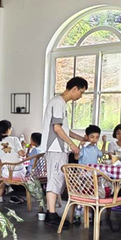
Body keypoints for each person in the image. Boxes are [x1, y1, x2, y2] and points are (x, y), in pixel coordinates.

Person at [40, 76, 88, 227]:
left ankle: (52, 213)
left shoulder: (61, 103)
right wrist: (72, 145)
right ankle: (51, 214)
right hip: (55, 148)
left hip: (59, 149)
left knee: (58, 179)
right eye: (81, 92)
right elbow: (57, 128)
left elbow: (64, 129)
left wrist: (81, 138)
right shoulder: (58, 102)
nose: (81, 96)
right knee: (54, 180)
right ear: (74, 88)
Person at [0, 120, 26, 200]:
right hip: (19, 174)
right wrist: (23, 146)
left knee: (1, 177)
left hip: (6, 174)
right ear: (8, 129)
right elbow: (22, 154)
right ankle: (13, 191)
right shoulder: (15, 139)